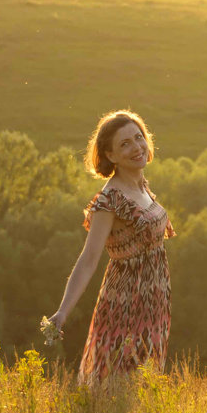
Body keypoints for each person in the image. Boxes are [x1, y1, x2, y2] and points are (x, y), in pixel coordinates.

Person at [47, 110, 175, 386]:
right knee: (118, 381)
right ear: (111, 156)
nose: (136, 147)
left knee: (145, 383)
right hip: (126, 304)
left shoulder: (141, 186)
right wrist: (63, 312)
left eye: (138, 138)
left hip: (155, 301)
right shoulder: (109, 200)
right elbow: (89, 258)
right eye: (124, 144)